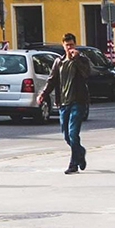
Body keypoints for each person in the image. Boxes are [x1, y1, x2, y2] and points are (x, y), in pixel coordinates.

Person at [37, 32, 91, 173]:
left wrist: (77, 58)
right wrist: (43, 94)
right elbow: (51, 80)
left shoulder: (82, 59)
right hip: (63, 103)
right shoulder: (58, 62)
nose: (69, 48)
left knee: (73, 134)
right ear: (63, 45)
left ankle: (73, 164)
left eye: (72, 45)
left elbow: (86, 74)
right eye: (67, 45)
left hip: (78, 102)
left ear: (75, 45)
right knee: (67, 136)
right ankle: (80, 152)